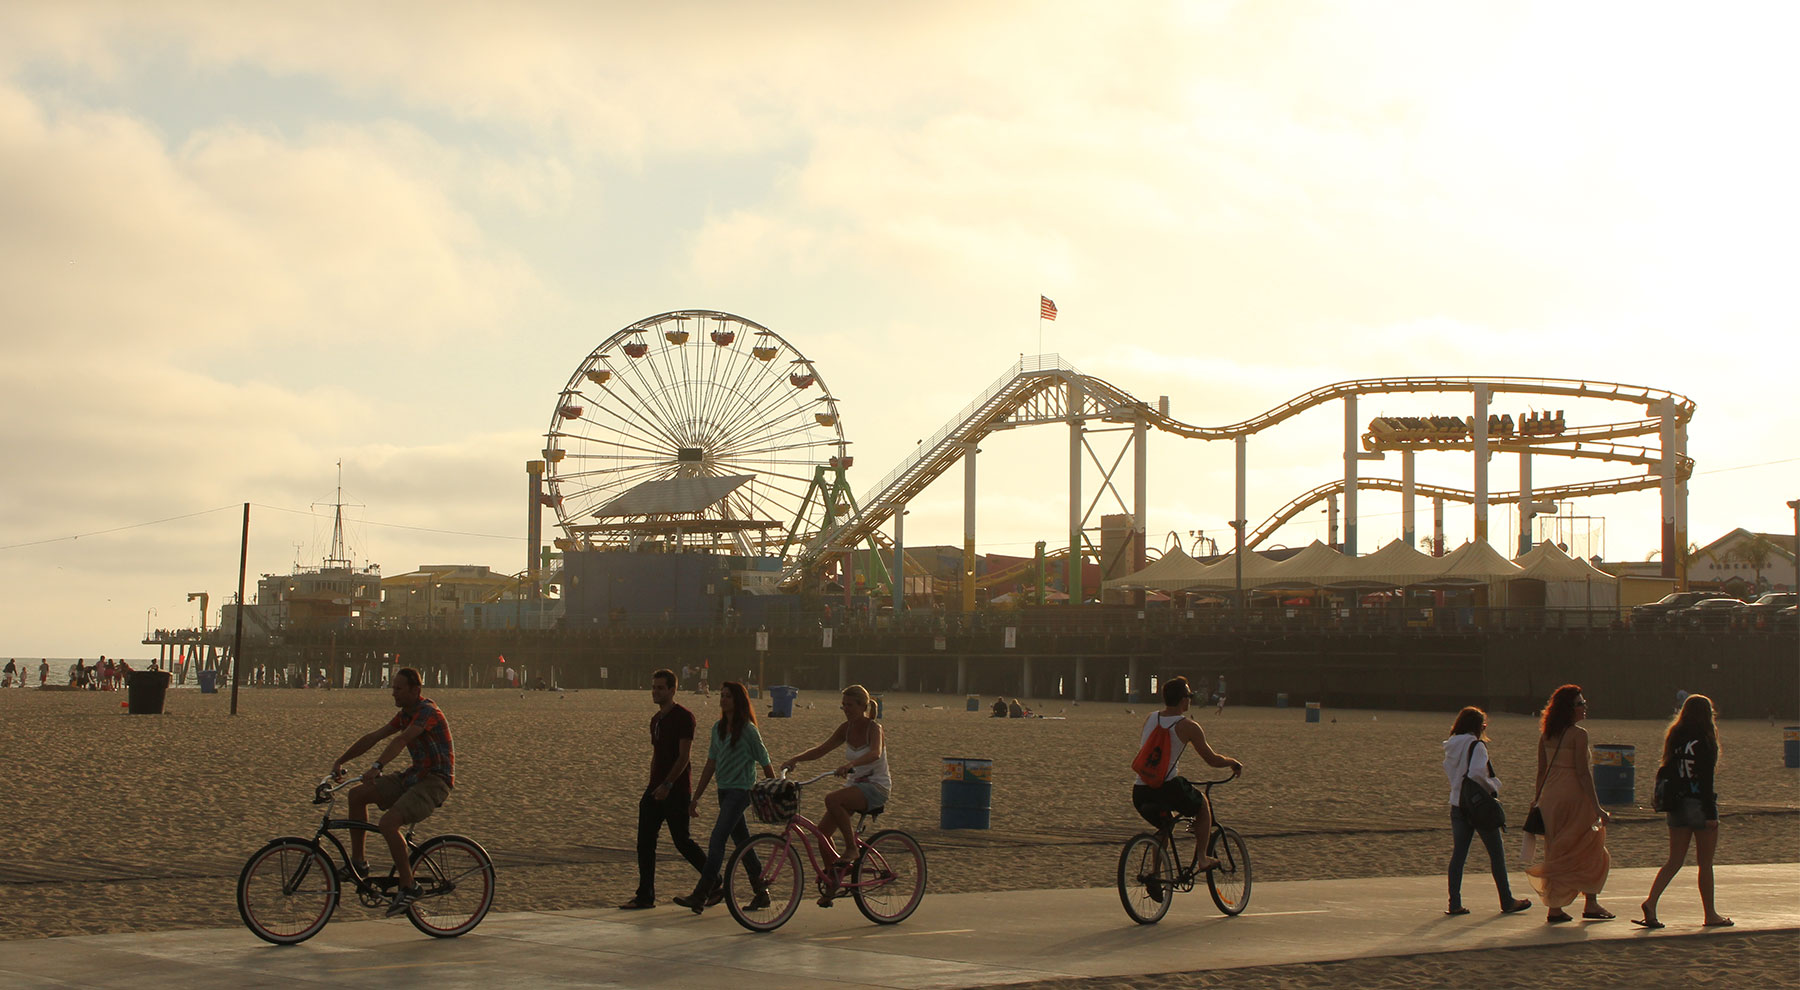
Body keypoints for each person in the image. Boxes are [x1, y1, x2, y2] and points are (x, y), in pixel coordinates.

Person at [330, 667, 455, 917]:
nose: (393, 694)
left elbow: (401, 740)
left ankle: (409, 886)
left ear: (415, 690)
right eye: (393, 688)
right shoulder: (404, 714)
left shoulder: (427, 712)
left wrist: (377, 766)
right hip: (414, 776)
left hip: (435, 781)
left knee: (388, 823)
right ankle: (359, 863)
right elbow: (375, 737)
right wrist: (340, 760)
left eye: (398, 689)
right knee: (356, 795)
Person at [780, 684, 890, 906]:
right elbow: (822, 749)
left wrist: (851, 764)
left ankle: (851, 849)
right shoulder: (845, 728)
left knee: (832, 798)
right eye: (843, 706)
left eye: (850, 705)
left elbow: (875, 753)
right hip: (855, 786)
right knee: (822, 834)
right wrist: (795, 759)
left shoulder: (874, 728)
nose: (846, 709)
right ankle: (834, 880)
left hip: (876, 787)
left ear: (862, 706)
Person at [674, 681, 773, 913]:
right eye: (722, 695)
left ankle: (701, 894)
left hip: (741, 792)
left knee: (718, 839)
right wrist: (696, 796)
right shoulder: (717, 728)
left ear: (738, 700)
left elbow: (764, 759)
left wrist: (772, 787)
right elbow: (711, 763)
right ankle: (761, 892)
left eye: (728, 696)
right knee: (743, 843)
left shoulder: (748, 730)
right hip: (724, 791)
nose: (723, 699)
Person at [1636, 694, 1732, 929]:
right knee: (1705, 863)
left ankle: (1651, 902)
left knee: (1674, 860)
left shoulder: (1676, 738)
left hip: (1677, 804)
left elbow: (1667, 770)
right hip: (1699, 803)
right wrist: (1710, 814)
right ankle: (1710, 914)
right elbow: (1706, 780)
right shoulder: (1705, 741)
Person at [1131, 676, 1242, 874]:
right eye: (1189, 696)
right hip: (1166, 788)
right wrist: (1232, 762)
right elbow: (1212, 759)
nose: (1190, 700)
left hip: (1140, 790)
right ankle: (1202, 858)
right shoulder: (1189, 726)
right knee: (1202, 806)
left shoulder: (1150, 717)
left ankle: (1155, 877)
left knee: (1165, 829)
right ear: (1183, 700)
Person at [618, 668, 706, 909]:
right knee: (645, 842)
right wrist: (653, 785)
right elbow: (657, 755)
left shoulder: (684, 717)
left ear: (672, 690)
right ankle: (645, 895)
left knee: (682, 841)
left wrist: (668, 784)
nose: (655, 692)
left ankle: (714, 879)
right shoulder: (656, 720)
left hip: (676, 789)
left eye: (660, 688)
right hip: (654, 789)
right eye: (653, 687)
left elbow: (684, 756)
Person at [1525, 684, 1613, 923]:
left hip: (1551, 797)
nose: (1585, 707)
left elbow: (1541, 771)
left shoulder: (1547, 734)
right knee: (1591, 846)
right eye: (1580, 703)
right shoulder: (1578, 734)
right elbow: (1582, 773)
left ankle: (1555, 907)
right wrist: (1597, 808)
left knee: (1557, 849)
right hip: (1574, 796)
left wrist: (1538, 799)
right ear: (1569, 709)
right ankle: (1591, 903)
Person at [1442, 706, 1532, 915]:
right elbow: (1476, 774)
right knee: (1496, 854)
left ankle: (1454, 903)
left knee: (1458, 856)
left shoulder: (1451, 746)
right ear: (1477, 726)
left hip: (1457, 804)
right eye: (1483, 725)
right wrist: (1493, 786)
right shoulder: (1477, 746)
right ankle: (1507, 900)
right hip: (1478, 807)